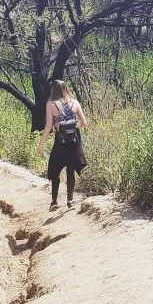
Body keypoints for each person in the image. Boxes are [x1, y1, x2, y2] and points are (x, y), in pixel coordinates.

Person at [36, 80, 88, 210]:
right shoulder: (75, 102)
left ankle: (54, 201)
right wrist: (72, 126)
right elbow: (84, 122)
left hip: (60, 141)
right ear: (66, 89)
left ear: (54, 90)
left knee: (55, 169)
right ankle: (70, 200)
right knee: (71, 170)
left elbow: (49, 126)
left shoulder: (51, 104)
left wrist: (41, 144)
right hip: (74, 141)